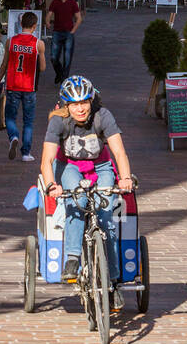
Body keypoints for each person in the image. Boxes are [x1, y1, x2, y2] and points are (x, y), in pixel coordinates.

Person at [40, 75, 134, 303]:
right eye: (74, 104)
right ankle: (72, 258)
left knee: (106, 218)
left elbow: (119, 152)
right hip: (69, 166)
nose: (80, 109)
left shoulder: (103, 117)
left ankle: (112, 282)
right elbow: (47, 159)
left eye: (84, 102)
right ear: (66, 105)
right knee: (77, 201)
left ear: (91, 101)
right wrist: (52, 185)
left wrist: (125, 178)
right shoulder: (58, 121)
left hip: (100, 166)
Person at [0, 11, 46, 162]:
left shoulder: (10, 41)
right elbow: (43, 67)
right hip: (29, 87)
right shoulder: (38, 43)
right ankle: (26, 153)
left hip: (12, 85)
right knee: (28, 121)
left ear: (21, 24)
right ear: (34, 26)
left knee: (10, 117)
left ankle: (13, 136)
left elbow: (4, 64)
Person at [46, 0, 82, 83]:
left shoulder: (72, 3)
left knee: (67, 58)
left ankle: (64, 79)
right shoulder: (55, 2)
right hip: (57, 32)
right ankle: (59, 73)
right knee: (53, 57)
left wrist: (73, 30)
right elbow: (49, 14)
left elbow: (79, 18)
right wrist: (47, 22)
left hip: (68, 33)